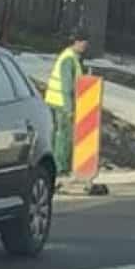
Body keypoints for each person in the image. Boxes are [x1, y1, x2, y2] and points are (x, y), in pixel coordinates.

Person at [43, 29, 89, 179]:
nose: (85, 46)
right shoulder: (68, 59)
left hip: (56, 101)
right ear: (76, 42)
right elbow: (66, 86)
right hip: (61, 103)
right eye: (83, 42)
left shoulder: (72, 57)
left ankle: (57, 166)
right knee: (64, 136)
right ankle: (60, 168)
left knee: (59, 135)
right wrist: (69, 108)